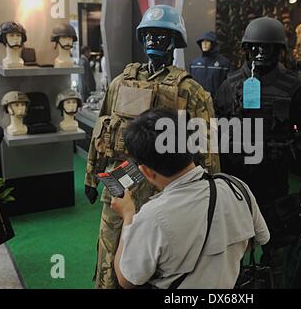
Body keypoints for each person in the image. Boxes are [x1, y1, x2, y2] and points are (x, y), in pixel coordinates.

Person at [84, 5, 220, 289]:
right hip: (120, 179)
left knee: (157, 260)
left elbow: (207, 147)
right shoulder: (121, 83)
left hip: (165, 188)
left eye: (160, 35)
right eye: (148, 35)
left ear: (174, 42)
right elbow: (103, 128)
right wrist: (90, 175)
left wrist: (211, 193)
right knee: (110, 247)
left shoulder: (191, 91)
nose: (152, 41)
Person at [111, 109, 269, 289]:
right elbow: (258, 238)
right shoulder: (236, 187)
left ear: (146, 171)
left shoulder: (153, 217)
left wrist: (128, 215)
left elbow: (127, 280)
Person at [214, 17, 301, 274]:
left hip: (274, 178)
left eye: (269, 47)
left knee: (277, 245)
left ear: (279, 50)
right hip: (235, 176)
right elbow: (215, 130)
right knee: (232, 245)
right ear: (246, 49)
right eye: (255, 47)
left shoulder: (293, 86)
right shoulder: (230, 85)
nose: (261, 52)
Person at [189, 31, 232, 98]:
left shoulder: (224, 64)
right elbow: (190, 85)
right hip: (198, 104)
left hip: (217, 104)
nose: (204, 44)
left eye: (207, 41)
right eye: (202, 42)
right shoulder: (194, 64)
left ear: (213, 44)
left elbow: (229, 87)